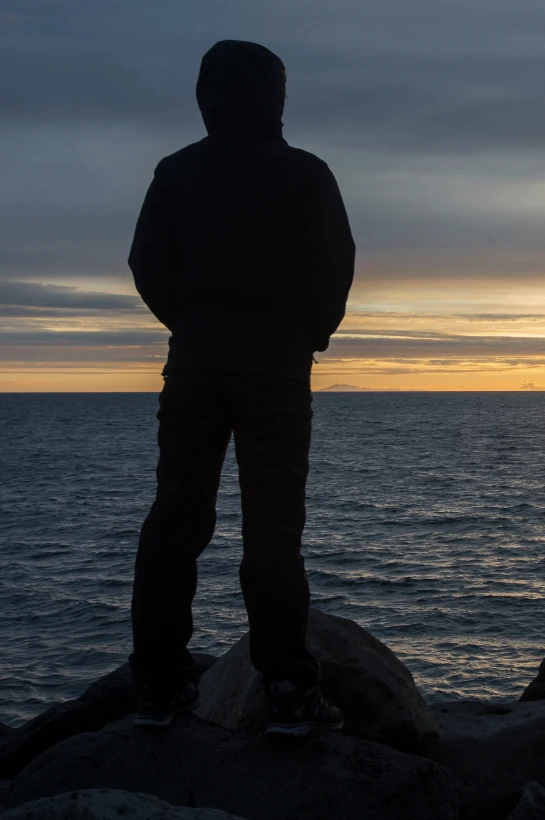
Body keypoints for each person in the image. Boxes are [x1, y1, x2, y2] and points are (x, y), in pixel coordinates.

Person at [127, 40, 355, 736]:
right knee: (274, 531)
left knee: (176, 521)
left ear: (207, 94)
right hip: (276, 372)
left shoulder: (176, 172)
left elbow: (147, 263)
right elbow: (332, 268)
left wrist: (192, 324)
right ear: (275, 96)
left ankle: (159, 691)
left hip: (194, 366)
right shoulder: (305, 174)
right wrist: (302, 338)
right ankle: (288, 690)